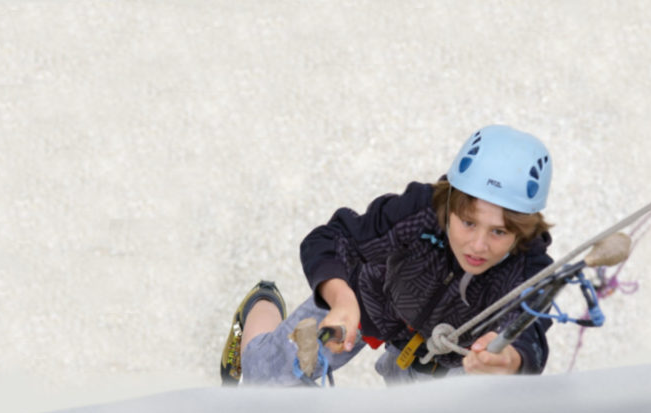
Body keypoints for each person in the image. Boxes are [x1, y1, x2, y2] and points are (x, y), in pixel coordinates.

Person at [220, 124, 555, 386]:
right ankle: (261, 305)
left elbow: (529, 336)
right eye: (468, 223)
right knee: (264, 379)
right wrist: (342, 301)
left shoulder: (528, 269)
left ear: (522, 231)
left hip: (440, 357)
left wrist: (508, 358)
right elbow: (331, 238)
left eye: (499, 232)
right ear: (450, 204)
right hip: (366, 305)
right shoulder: (419, 212)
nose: (479, 245)